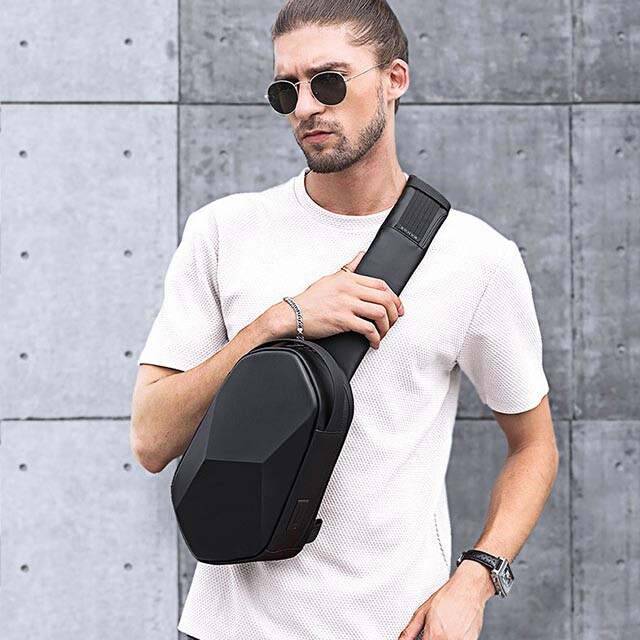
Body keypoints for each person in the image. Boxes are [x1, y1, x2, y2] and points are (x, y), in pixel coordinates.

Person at [130, 1, 559, 639]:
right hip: (228, 628)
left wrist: (476, 579)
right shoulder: (223, 231)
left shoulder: (477, 258)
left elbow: (534, 446)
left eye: (328, 82)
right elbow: (151, 439)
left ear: (394, 79)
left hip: (390, 627)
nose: (305, 107)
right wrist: (279, 321)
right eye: (286, 90)